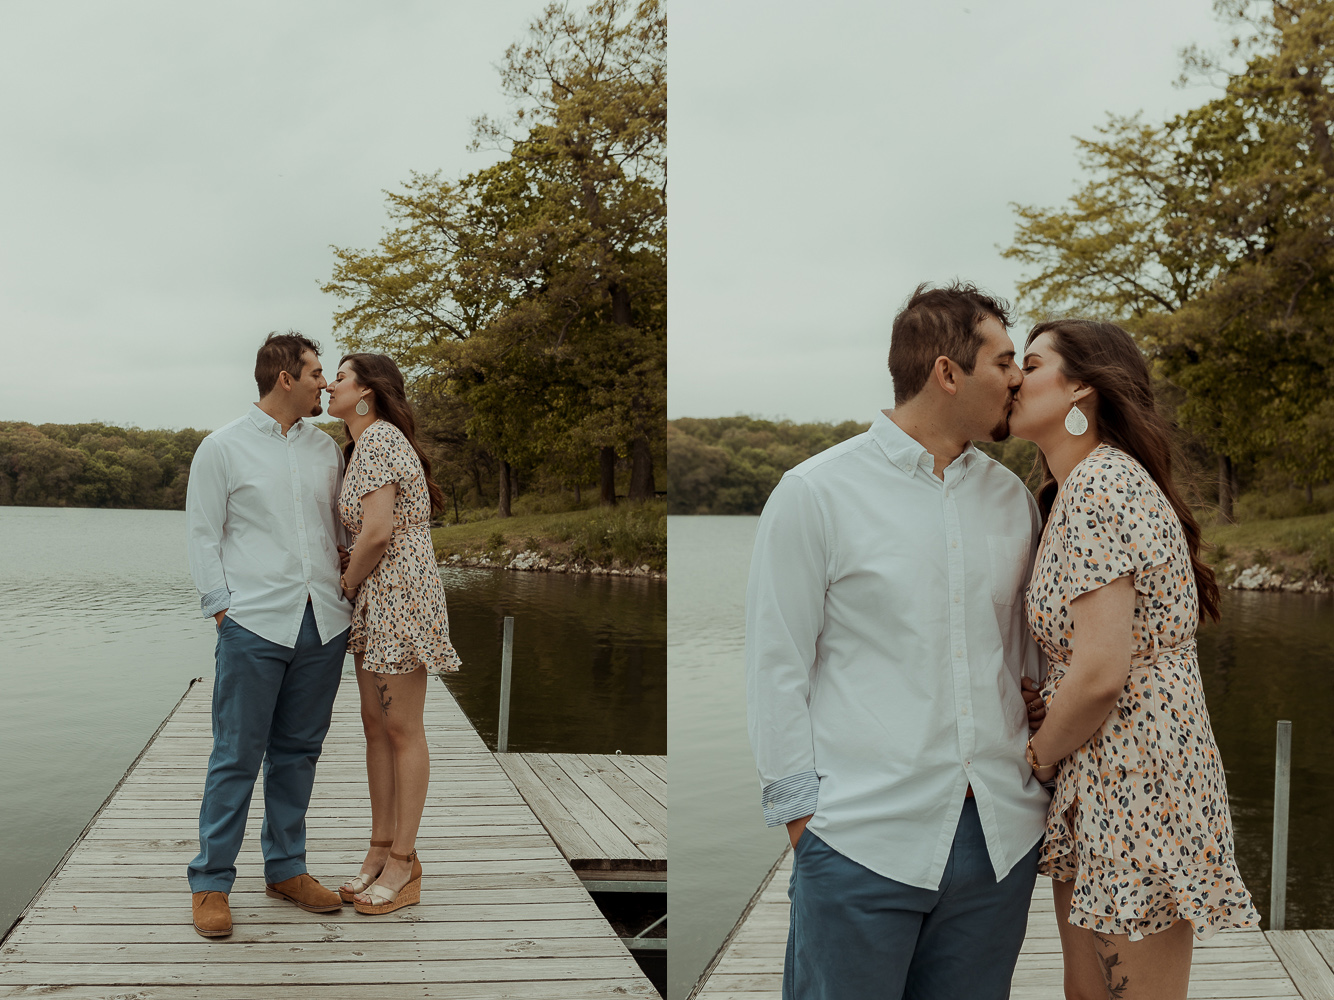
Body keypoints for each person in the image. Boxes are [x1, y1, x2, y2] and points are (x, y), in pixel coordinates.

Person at [746, 281, 1052, 1000]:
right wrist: (804, 826)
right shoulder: (815, 492)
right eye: (1005, 361)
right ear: (948, 372)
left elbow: (1029, 658)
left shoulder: (1011, 500)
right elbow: (775, 666)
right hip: (860, 837)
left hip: (997, 842)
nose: (1018, 378)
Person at [1009, 319, 1259, 1000]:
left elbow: (1100, 673)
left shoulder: (1101, 487)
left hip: (1136, 774)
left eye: (1029, 365)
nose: (1012, 378)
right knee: (1089, 994)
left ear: (1080, 387)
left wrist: (1034, 759)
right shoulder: (1077, 490)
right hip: (1105, 769)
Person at [185, 332, 353, 938]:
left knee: (299, 754)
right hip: (253, 622)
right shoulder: (221, 448)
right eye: (315, 372)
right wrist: (222, 610)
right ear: (285, 377)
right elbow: (203, 534)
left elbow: (337, 529)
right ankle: (210, 882)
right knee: (235, 756)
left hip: (324, 622)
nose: (323, 382)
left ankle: (285, 868)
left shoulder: (326, 450)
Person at [326, 352, 462, 915]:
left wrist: (344, 583)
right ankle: (379, 848)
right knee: (375, 727)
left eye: (340, 376)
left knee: (402, 728)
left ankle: (405, 862)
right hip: (378, 597)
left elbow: (379, 533)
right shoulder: (361, 446)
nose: (330, 384)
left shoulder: (379, 440)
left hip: (397, 595)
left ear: (367, 394)